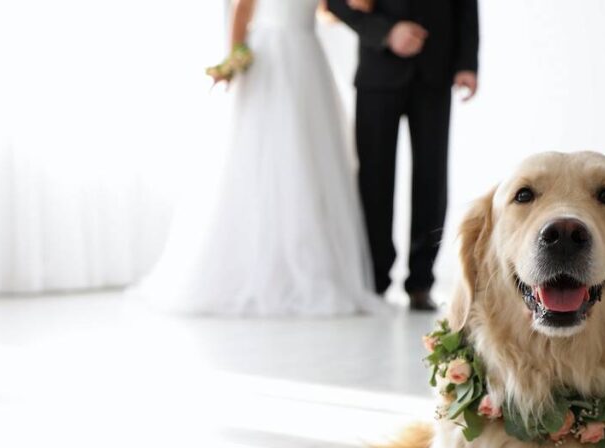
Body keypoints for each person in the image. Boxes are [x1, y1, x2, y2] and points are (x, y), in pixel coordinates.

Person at [135, 0, 380, 317]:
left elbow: (335, 9)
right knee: (265, 159)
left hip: (307, 60)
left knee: (310, 164)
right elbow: (242, 10)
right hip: (269, 58)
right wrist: (235, 56)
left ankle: (310, 264)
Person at [326, 0, 479, 311]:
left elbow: (465, 5)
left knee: (431, 178)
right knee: (373, 179)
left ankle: (421, 281)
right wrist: (386, 33)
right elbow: (336, 3)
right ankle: (376, 279)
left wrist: (467, 63)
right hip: (377, 72)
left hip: (435, 71)